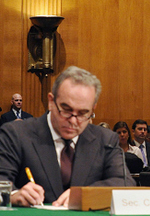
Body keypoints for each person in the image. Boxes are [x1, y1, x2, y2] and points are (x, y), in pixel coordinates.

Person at [0, 66, 134, 207]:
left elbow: (125, 183)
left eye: (83, 113)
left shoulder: (105, 139)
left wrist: (85, 194)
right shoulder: (16, 134)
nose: (73, 121)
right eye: (66, 110)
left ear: (93, 108)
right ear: (51, 102)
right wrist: (14, 195)